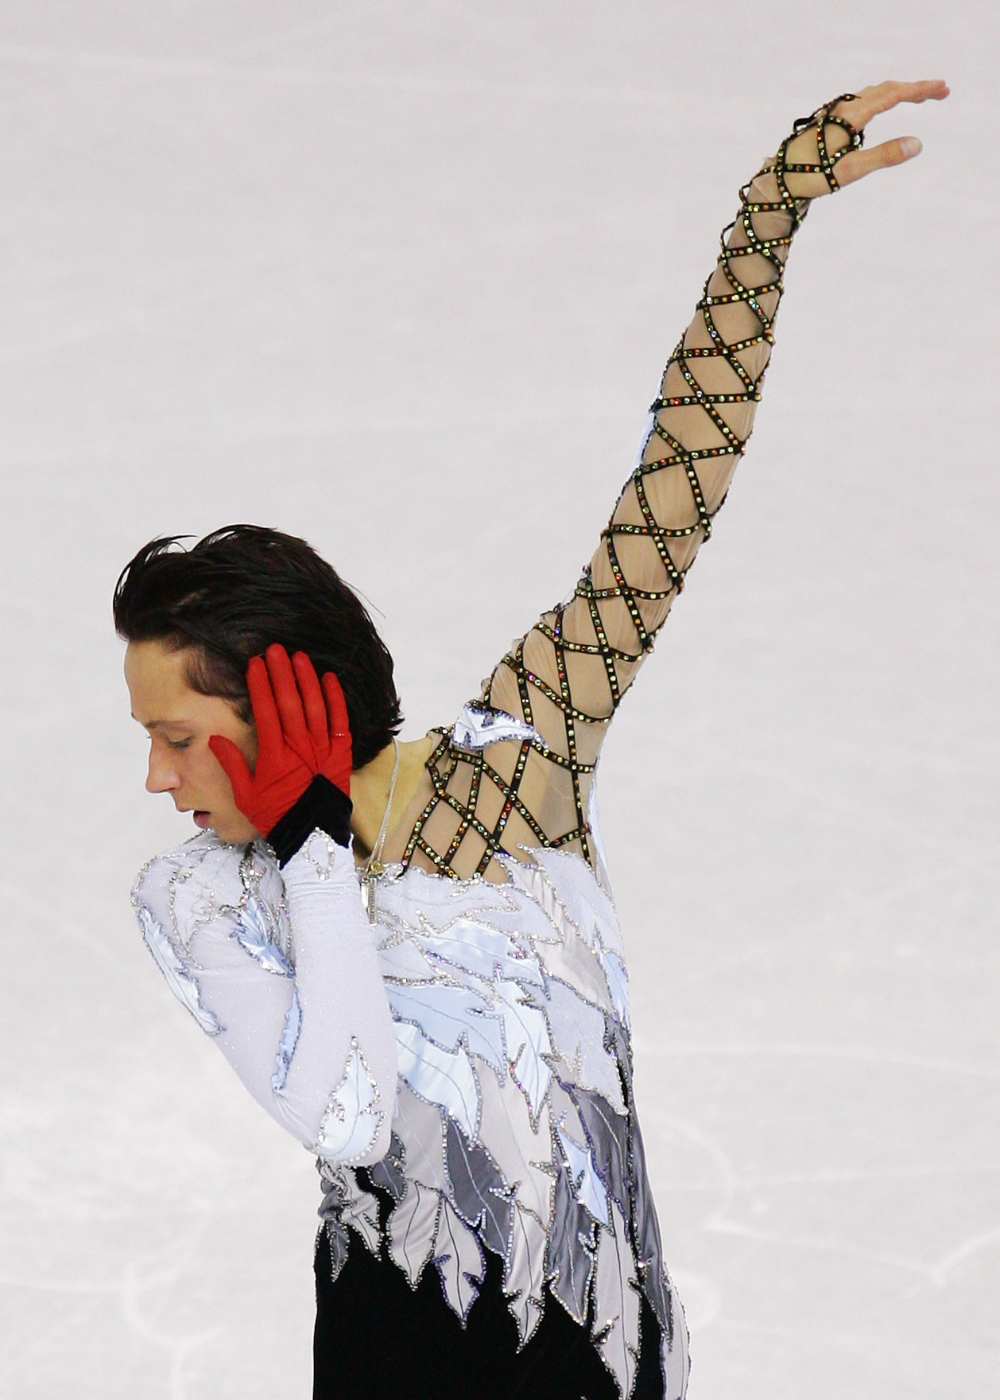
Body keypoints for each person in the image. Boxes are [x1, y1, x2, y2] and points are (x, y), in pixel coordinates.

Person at [116, 82, 947, 1400]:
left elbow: (668, 502)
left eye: (177, 736)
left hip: (612, 1360)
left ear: (279, 702)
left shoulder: (513, 769)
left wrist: (764, 225)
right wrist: (315, 853)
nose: (157, 779)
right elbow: (344, 1113)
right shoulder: (204, 897)